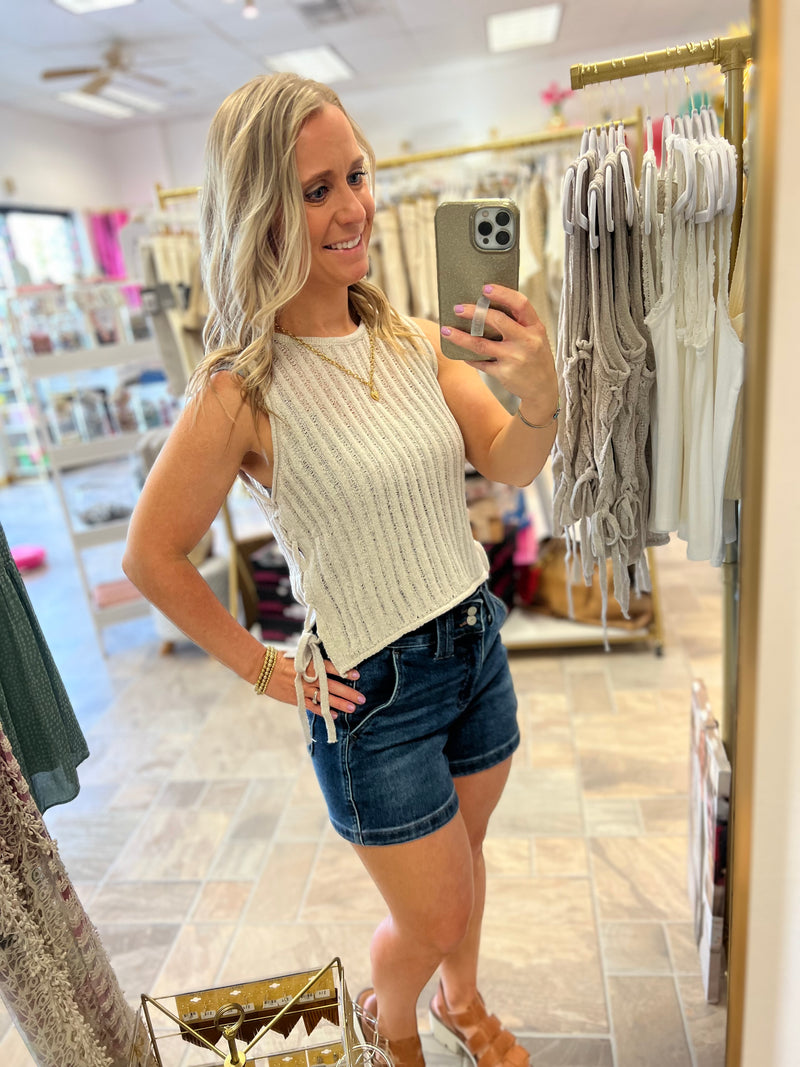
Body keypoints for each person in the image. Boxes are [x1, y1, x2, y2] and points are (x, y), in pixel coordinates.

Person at [122, 73, 559, 1067]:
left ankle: (461, 998)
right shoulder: (239, 387)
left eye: (355, 175)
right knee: (434, 909)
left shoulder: (412, 340)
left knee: (464, 865)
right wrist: (265, 667)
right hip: (376, 695)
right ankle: (391, 1022)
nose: (354, 207)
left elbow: (508, 460)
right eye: (317, 190)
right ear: (261, 212)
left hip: (473, 645)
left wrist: (539, 397)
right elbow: (151, 554)